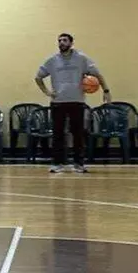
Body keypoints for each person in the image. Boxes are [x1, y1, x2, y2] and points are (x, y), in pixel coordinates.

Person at [35, 33, 110, 174]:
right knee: (58, 134)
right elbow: (38, 77)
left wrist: (106, 90)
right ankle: (57, 164)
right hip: (58, 102)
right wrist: (47, 92)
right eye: (59, 40)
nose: (61, 43)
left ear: (71, 43)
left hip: (77, 101)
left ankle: (78, 164)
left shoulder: (82, 58)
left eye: (64, 40)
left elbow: (98, 74)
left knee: (78, 134)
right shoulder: (52, 60)